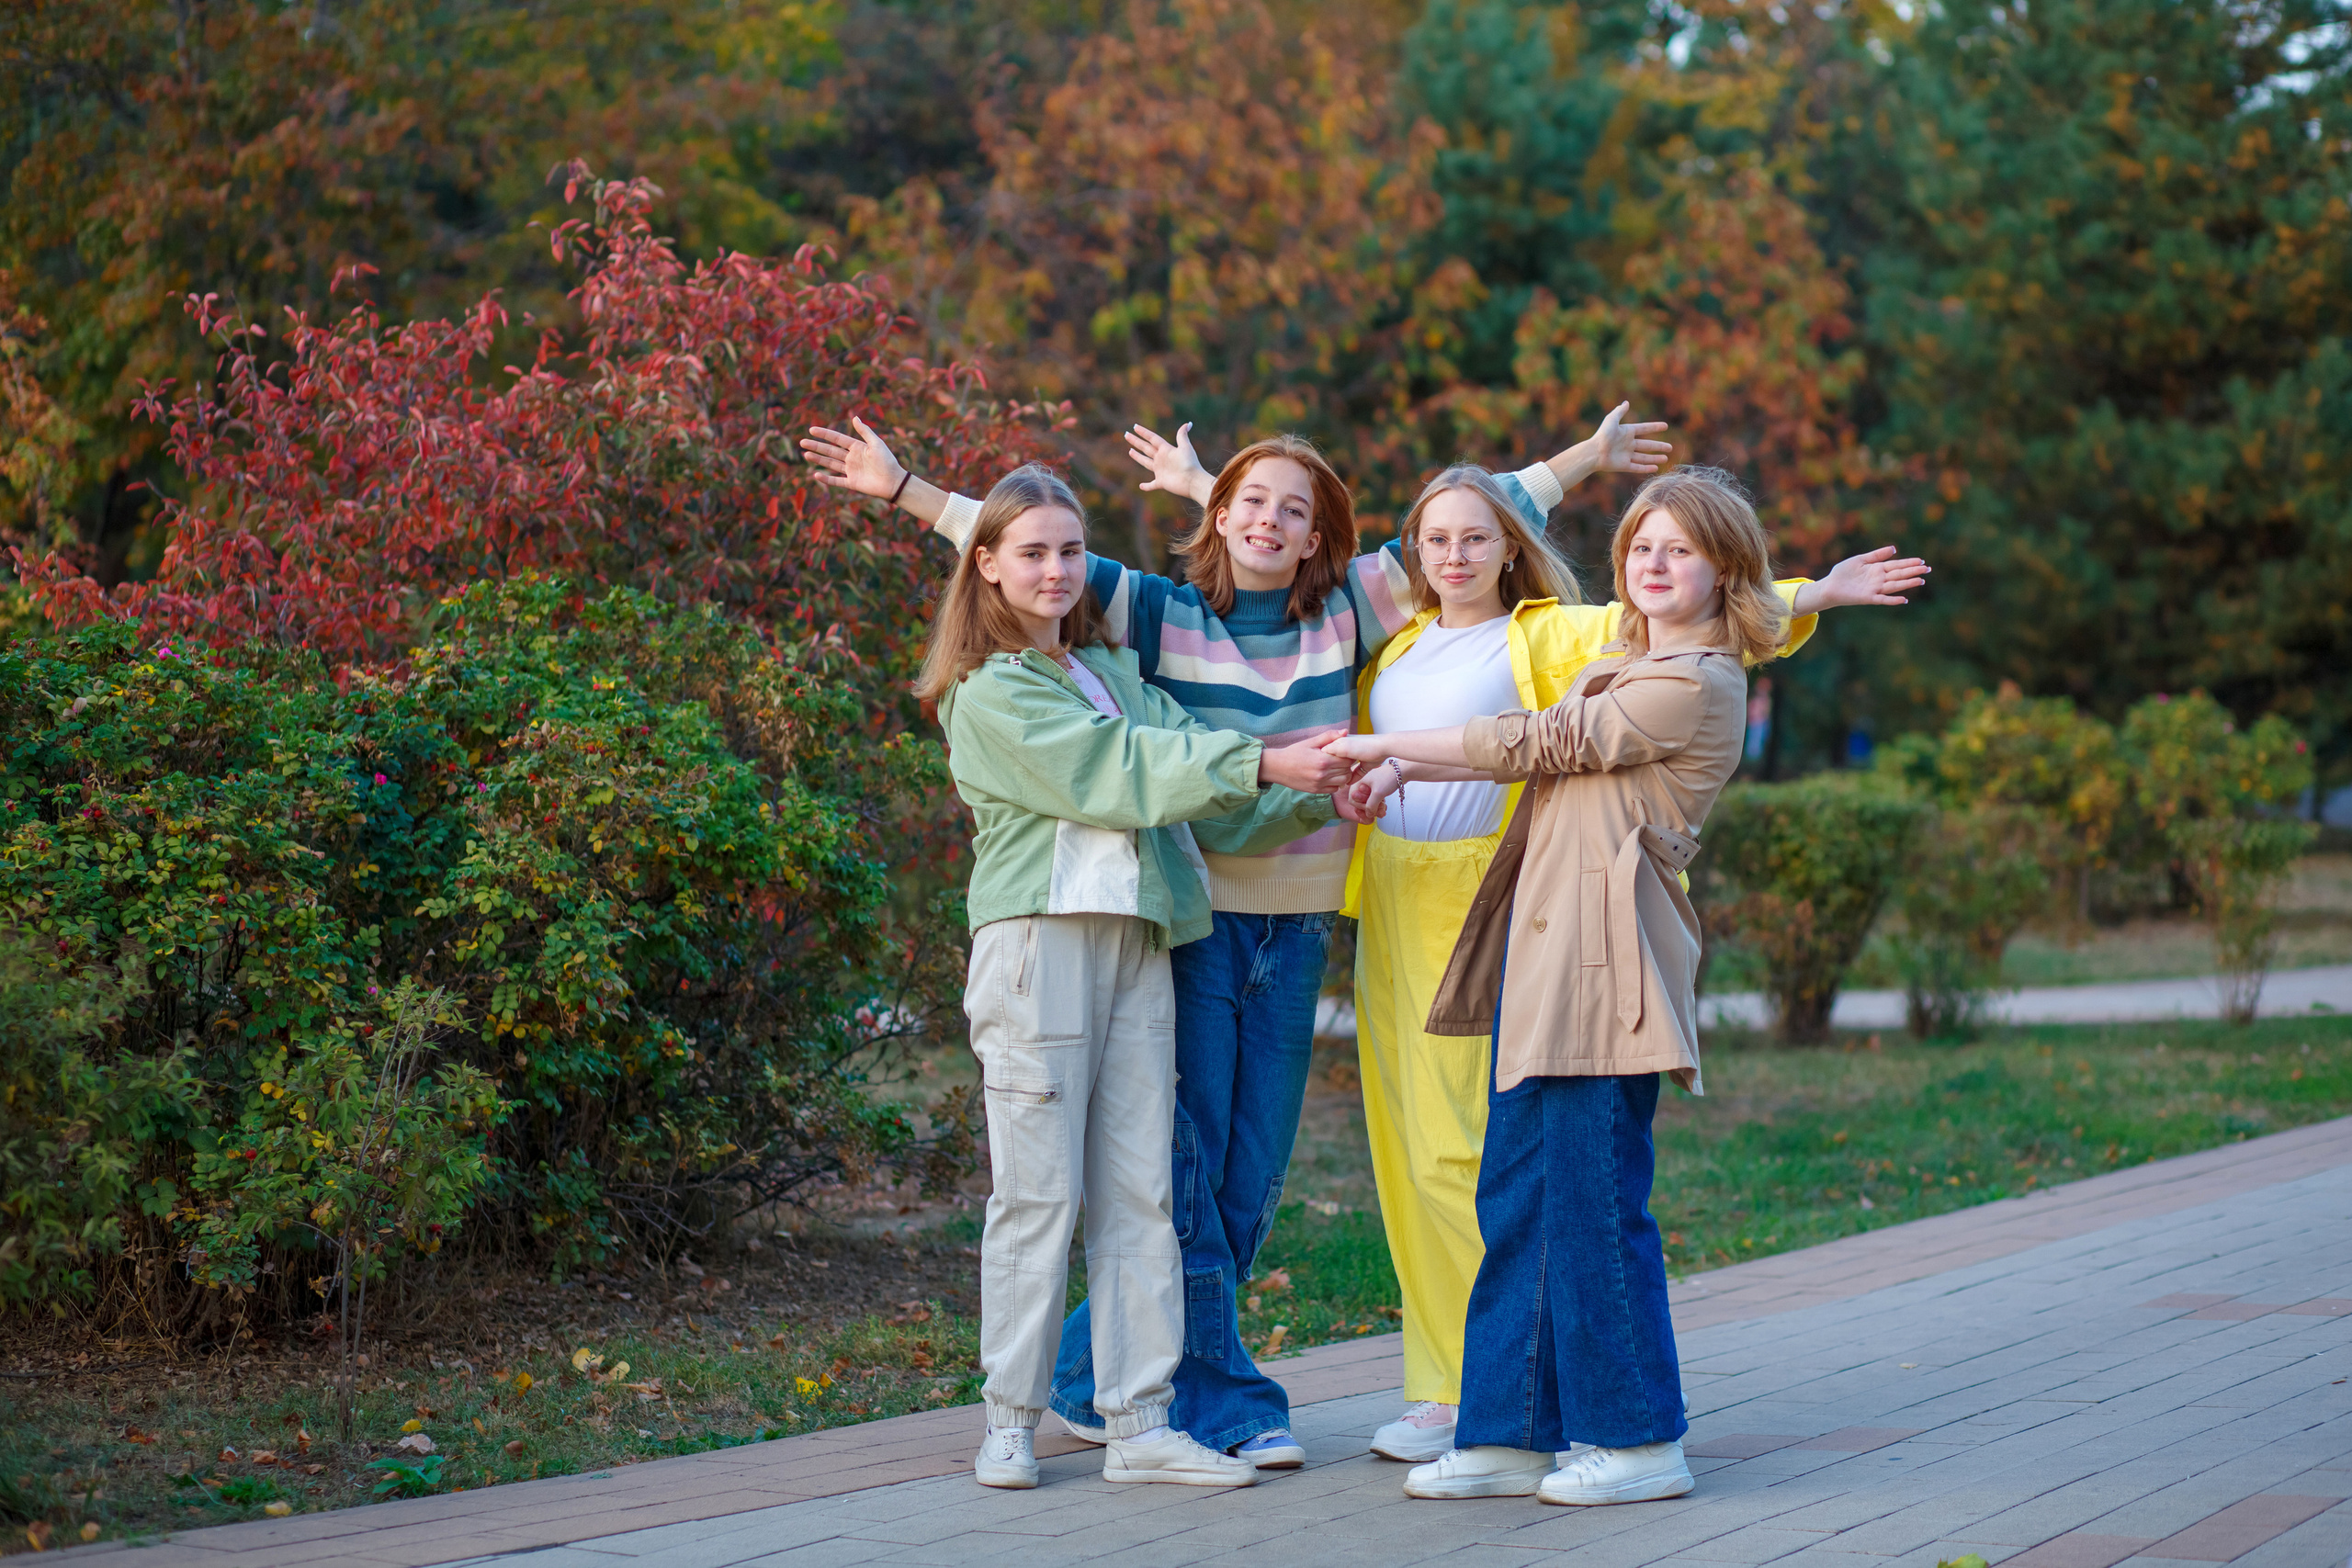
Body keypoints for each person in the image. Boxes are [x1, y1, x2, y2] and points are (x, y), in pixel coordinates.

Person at [804, 409, 1666, 1466]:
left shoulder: (1348, 608)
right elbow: (1024, 544)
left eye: (1295, 511)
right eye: (1250, 502)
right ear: (1215, 513)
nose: (1270, 521)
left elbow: (1472, 519)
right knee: (1189, 1174)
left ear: (1318, 538)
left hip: (1295, 927)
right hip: (1195, 923)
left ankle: (1086, 1378)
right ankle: (1220, 1403)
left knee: (1245, 1185)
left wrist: (1585, 459)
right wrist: (907, 490)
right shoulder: (1156, 614)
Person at [1336, 468, 1924, 1463]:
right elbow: (1531, 743)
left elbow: (1543, 739)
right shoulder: (1621, 657)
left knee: (1593, 1209)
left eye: (1679, 550)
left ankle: (1637, 1443)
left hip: (1605, 966)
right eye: (1641, 547)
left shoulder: (1692, 680)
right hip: (1538, 953)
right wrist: (1394, 764)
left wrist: (1380, 745)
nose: (1653, 564)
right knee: (1516, 1200)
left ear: (1724, 568)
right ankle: (1505, 1433)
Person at [916, 463, 1348, 1491]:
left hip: (1141, 942)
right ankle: (1010, 1422)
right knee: (1039, 1196)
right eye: (1032, 552)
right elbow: (1115, 776)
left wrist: (1323, 791)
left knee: (1142, 1193)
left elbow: (1200, 773)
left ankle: (1141, 1422)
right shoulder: (989, 689)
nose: (1057, 570)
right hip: (1041, 947)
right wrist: (1265, 762)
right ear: (987, 564)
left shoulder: (1108, 671)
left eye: (1071, 550)